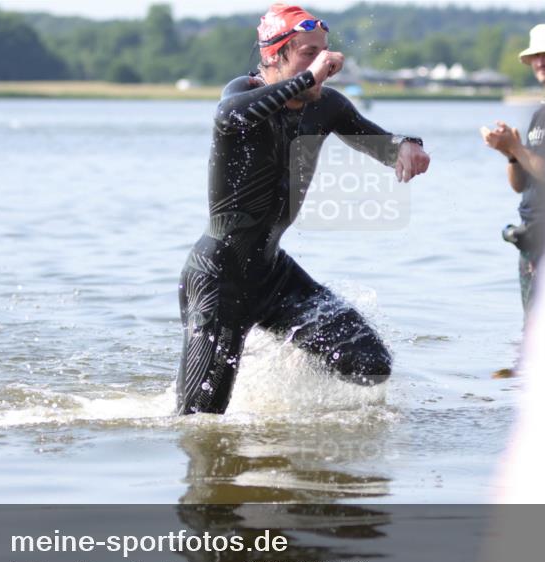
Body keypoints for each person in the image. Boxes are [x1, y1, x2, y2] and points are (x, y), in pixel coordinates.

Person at [175, 3, 431, 414]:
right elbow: (229, 116)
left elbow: (377, 142)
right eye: (308, 53)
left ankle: (285, 385)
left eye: (323, 52)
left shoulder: (325, 106)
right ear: (272, 56)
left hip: (271, 274)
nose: (323, 65)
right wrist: (308, 78)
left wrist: (404, 146)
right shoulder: (240, 96)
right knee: (199, 419)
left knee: (371, 363)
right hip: (219, 278)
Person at [481, 23, 545, 315]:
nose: (540, 61)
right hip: (532, 240)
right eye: (535, 55)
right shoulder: (542, 112)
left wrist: (517, 148)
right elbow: (520, 185)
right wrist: (510, 152)